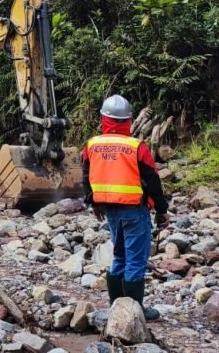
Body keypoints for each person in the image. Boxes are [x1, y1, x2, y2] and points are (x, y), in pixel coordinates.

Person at [82, 94, 169, 321]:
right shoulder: (136, 147)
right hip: (134, 211)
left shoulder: (92, 145)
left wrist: (94, 202)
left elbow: (86, 177)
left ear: (104, 119)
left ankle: (116, 306)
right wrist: (161, 209)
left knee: (119, 255)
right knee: (136, 260)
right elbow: (152, 181)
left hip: (109, 211)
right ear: (128, 121)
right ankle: (133, 312)